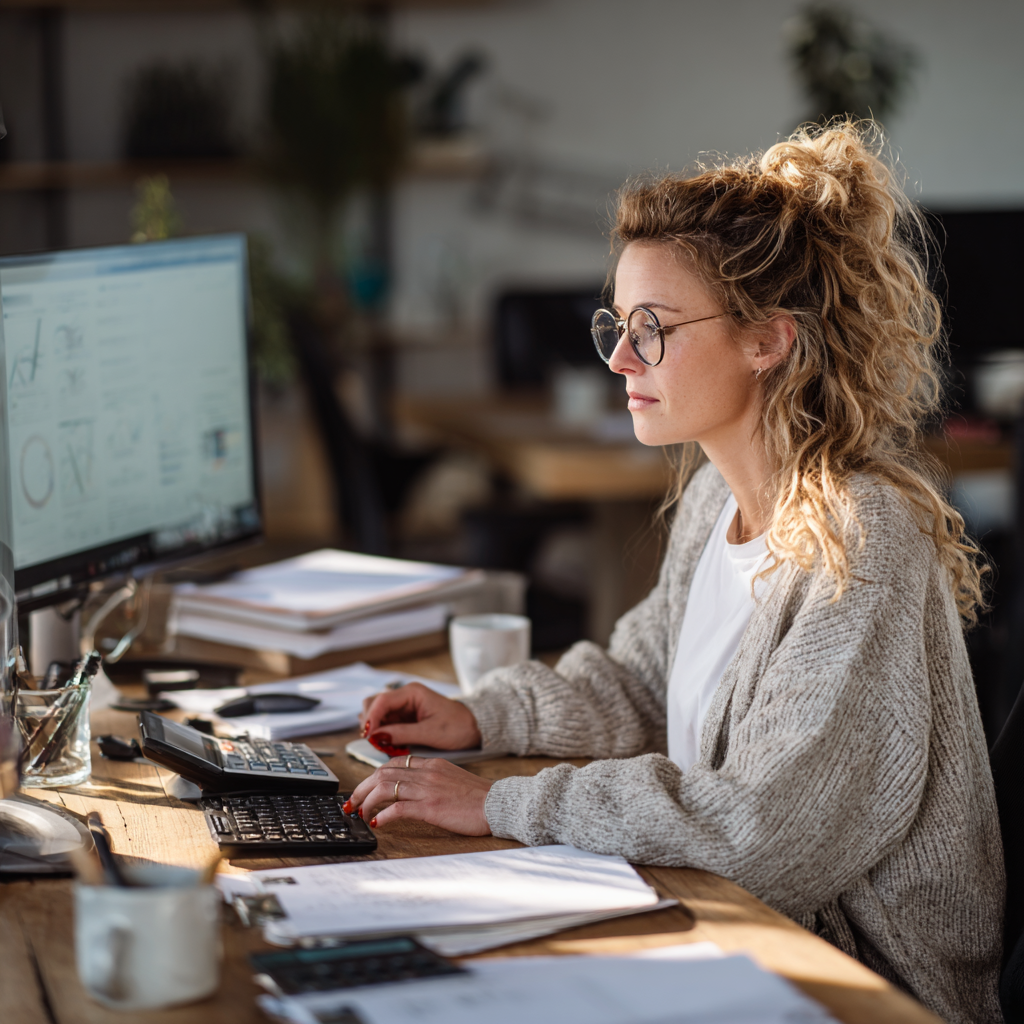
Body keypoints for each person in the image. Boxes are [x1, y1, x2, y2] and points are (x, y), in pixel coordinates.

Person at [348, 122, 1003, 1023]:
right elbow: (644, 680)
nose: (619, 359)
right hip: (724, 922)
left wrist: (505, 801)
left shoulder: (863, 542)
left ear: (767, 340)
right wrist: (482, 716)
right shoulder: (711, 501)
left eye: (651, 329)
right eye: (616, 325)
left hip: (854, 985)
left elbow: (766, 832)